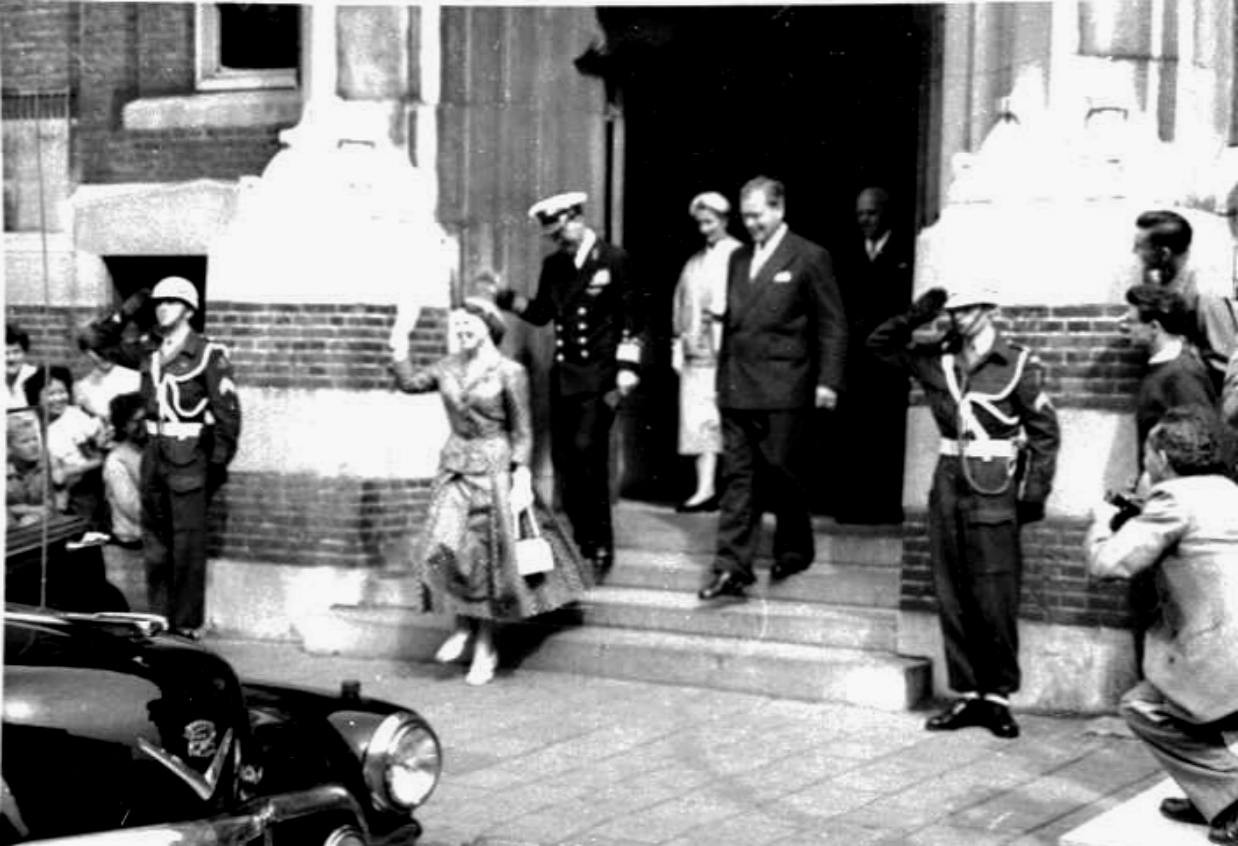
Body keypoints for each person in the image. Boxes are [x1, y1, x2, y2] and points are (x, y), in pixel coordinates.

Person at [867, 283, 1060, 738]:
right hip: (948, 482)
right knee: (951, 591)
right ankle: (969, 693)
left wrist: (1033, 494)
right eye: (953, 311)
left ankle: (998, 698)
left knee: (995, 593)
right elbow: (878, 346)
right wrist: (917, 314)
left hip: (994, 484)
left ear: (988, 309)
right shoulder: (936, 359)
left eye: (969, 309)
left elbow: (1045, 433)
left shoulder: (1015, 363)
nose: (959, 318)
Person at [392, 295, 592, 686]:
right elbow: (410, 382)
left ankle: (485, 646)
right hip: (455, 469)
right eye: (458, 325)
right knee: (442, 548)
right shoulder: (447, 367)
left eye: (470, 323)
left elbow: (522, 430)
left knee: (488, 560)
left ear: (489, 326)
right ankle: (461, 625)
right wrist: (400, 339)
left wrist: (522, 477)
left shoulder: (509, 371)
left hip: (495, 470)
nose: (462, 330)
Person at [1086, 406, 1238, 846]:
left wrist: (1101, 523)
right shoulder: (1227, 489)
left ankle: (1231, 797)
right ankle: (1213, 796)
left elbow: (1108, 564)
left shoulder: (1172, 499)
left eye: (1148, 456)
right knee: (1180, 705)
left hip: (1224, 660)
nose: (1145, 464)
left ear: (1164, 459)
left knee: (1141, 707)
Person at [698, 176, 848, 602]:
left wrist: (829, 381)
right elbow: (733, 326)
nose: (751, 224)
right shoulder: (738, 258)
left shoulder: (809, 256)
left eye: (758, 215)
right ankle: (731, 567)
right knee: (737, 478)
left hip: (786, 386)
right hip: (737, 387)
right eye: (745, 217)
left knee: (783, 470)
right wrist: (720, 383)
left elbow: (832, 324)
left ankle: (794, 549)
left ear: (779, 209)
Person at [492, 191, 646, 580]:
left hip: (601, 378)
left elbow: (632, 317)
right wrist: (507, 298)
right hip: (564, 378)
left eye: (562, 233)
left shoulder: (613, 259)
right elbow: (543, 313)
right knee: (565, 463)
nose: (560, 241)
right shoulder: (555, 265)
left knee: (588, 455)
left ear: (577, 219)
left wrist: (628, 368)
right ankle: (583, 538)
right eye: (554, 237)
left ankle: (600, 543)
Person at [80, 276, 241, 638]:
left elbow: (228, 416)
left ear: (189, 309)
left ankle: (185, 626)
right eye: (159, 303)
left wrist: (213, 467)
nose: (162, 308)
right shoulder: (149, 349)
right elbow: (95, 342)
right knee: (155, 544)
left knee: (187, 545)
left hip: (189, 454)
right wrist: (125, 312)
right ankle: (160, 620)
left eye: (171, 302)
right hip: (153, 453)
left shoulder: (207, 353)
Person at [832, 186, 913, 523]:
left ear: (886, 214)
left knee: (887, 432)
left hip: (890, 360)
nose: (865, 220)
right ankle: (855, 505)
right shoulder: (848, 254)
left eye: (871, 213)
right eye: (860, 214)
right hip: (856, 361)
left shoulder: (906, 252)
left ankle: (884, 506)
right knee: (855, 432)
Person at [670, 191, 741, 513]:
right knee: (699, 422)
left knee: (725, 423)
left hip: (728, 354)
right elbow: (680, 303)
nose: (704, 229)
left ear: (724, 220)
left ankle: (733, 491)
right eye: (700, 223)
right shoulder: (694, 262)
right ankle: (705, 488)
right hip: (696, 354)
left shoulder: (739, 255)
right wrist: (677, 343)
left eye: (710, 222)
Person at [1132, 210, 1235, 394]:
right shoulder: (1167, 282)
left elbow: (1223, 363)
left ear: (1164, 254)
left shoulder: (1206, 294)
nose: (1134, 252)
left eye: (1140, 247)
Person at [23, 365, 109, 521]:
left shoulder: (75, 418)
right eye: (50, 394)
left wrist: (68, 471)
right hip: (42, 487)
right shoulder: (29, 422)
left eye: (62, 392)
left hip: (81, 485)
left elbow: (98, 458)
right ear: (36, 396)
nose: (58, 398)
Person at [73, 334, 141, 422]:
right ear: (86, 352)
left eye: (108, 349)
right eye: (97, 351)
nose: (105, 355)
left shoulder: (135, 378)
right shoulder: (81, 387)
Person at [6, 323, 36, 409]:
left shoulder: (36, 376)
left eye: (16, 352)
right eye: (5, 353)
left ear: (25, 352)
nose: (11, 358)